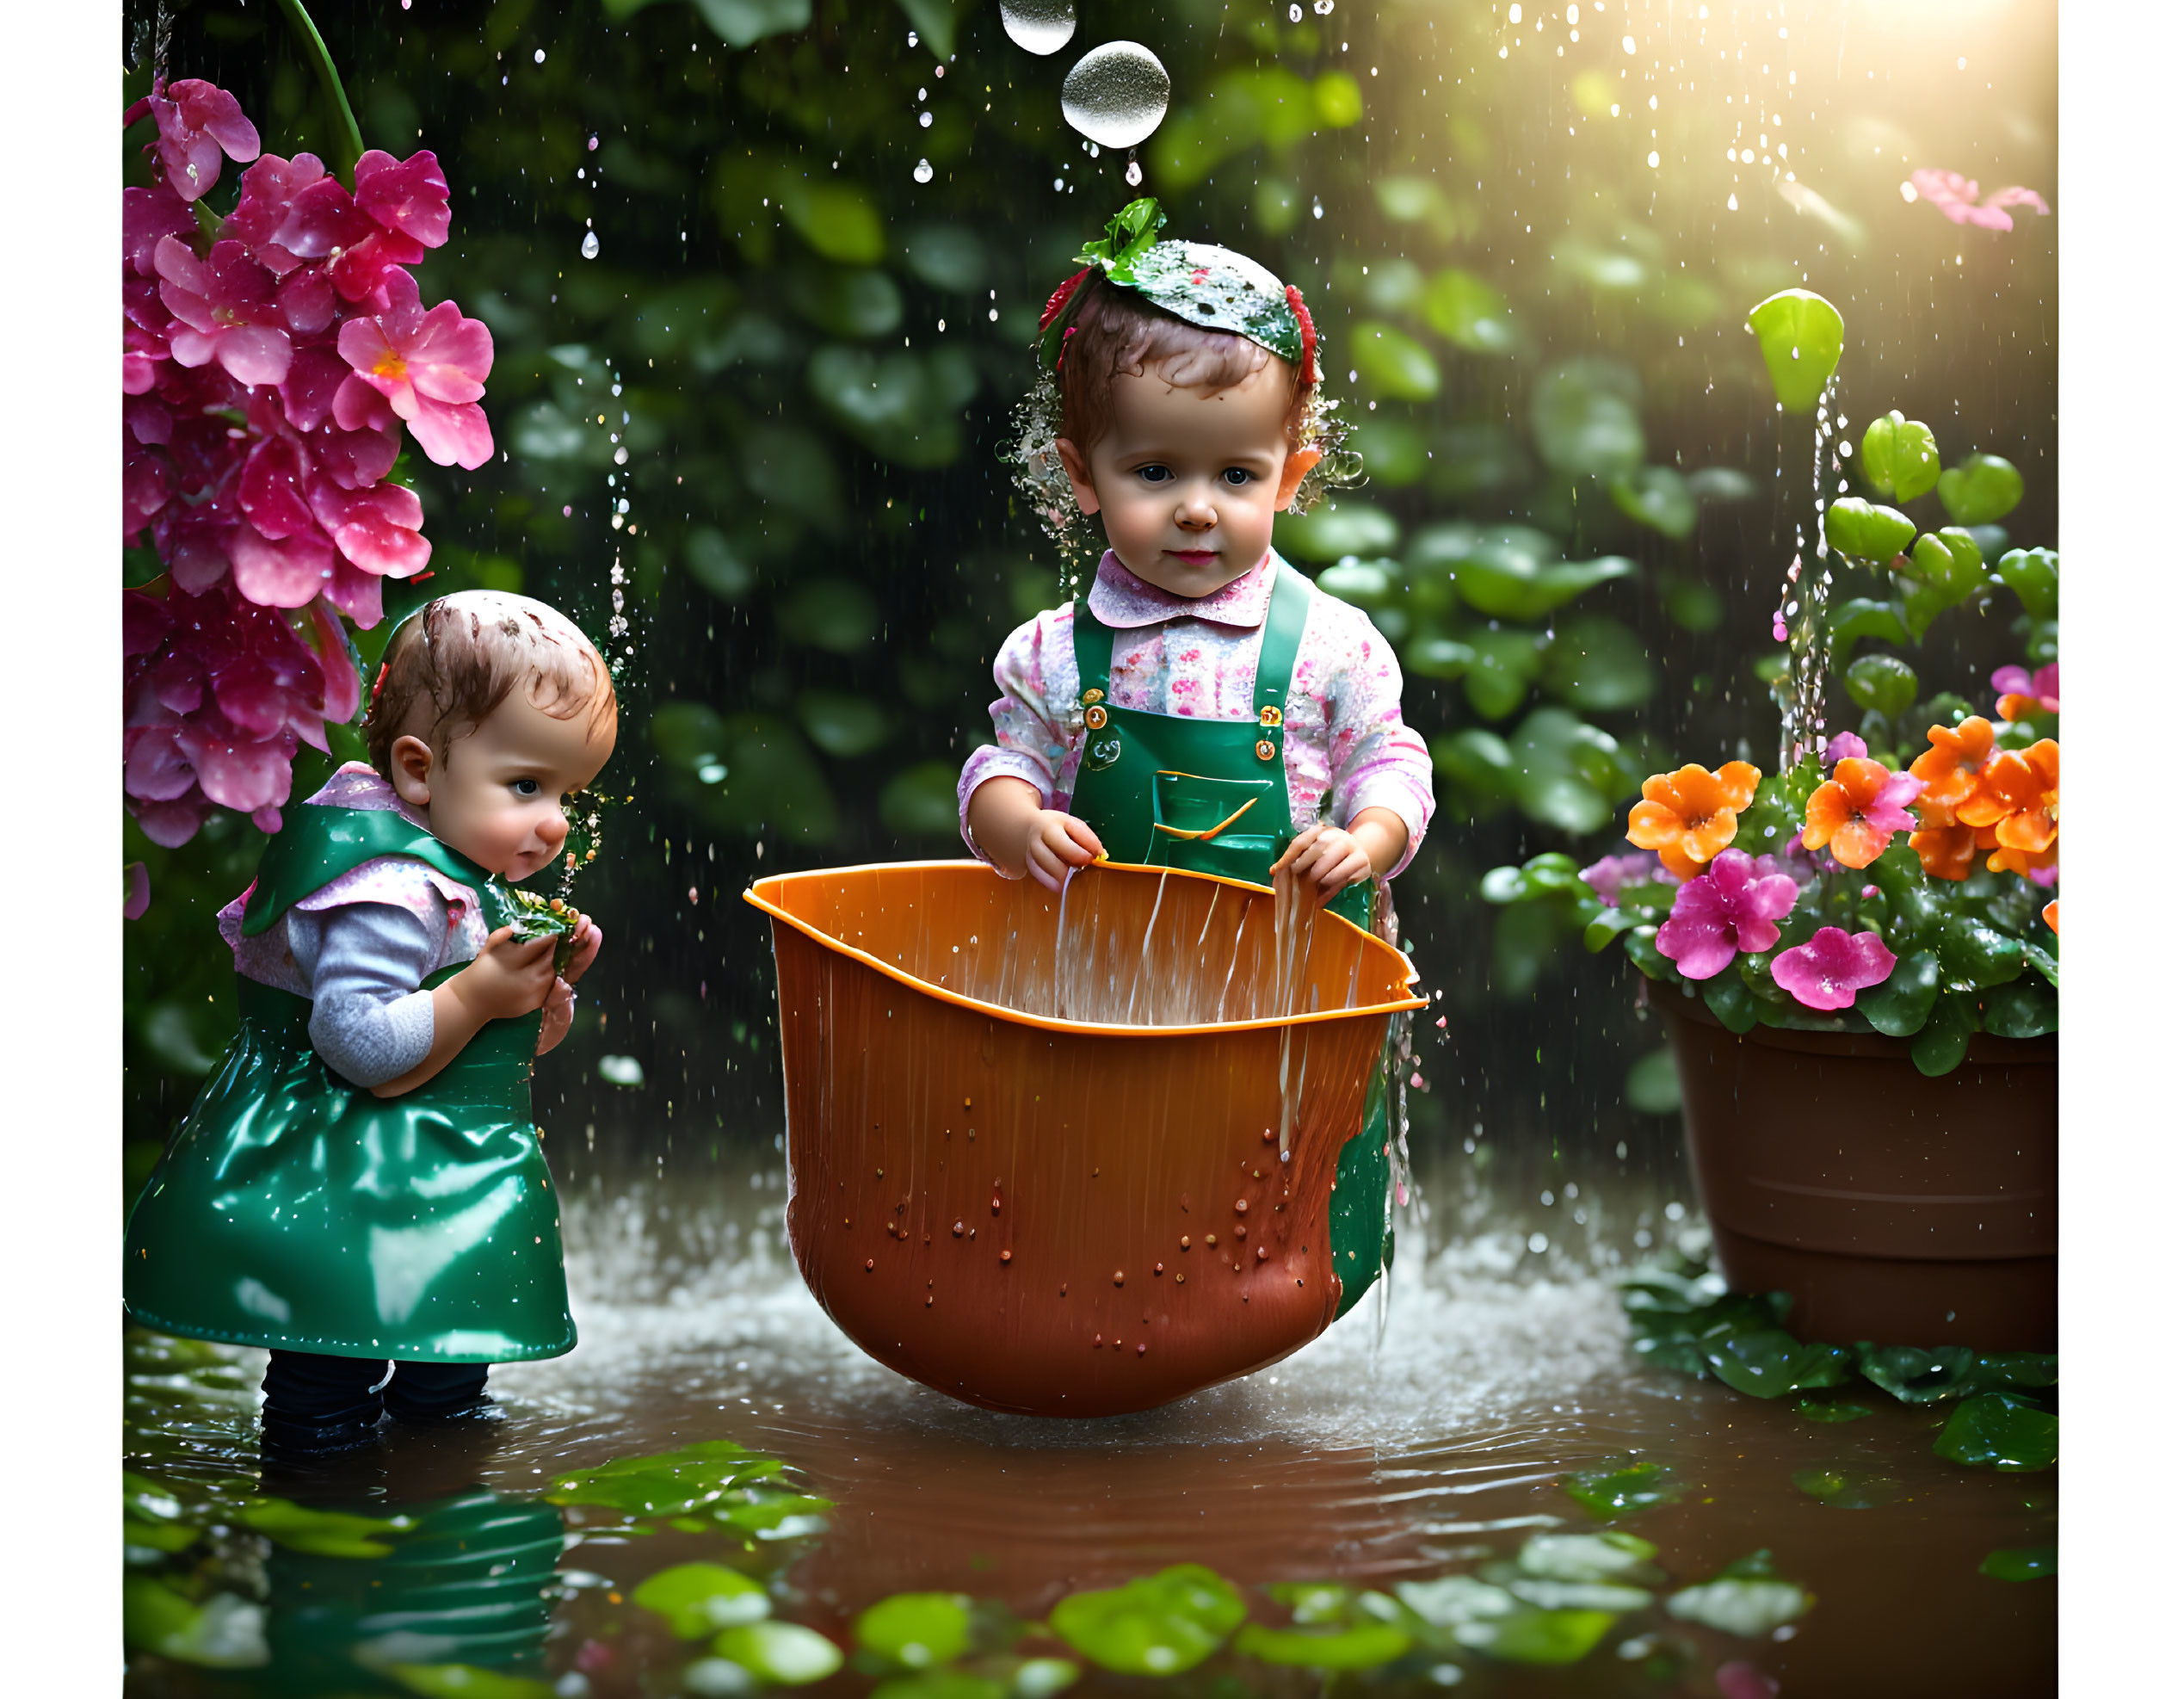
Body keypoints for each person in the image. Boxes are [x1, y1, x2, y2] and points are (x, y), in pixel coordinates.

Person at [959, 200, 1434, 1314]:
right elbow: (999, 770)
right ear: (1082, 473)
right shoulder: (1050, 651)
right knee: (1107, 1186)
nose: (1194, 510)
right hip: (1106, 995)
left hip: (1280, 997)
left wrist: (1363, 842)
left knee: (1263, 1191)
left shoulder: (1328, 644)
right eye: (1155, 470)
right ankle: (1108, 1331)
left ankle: (1244, 1337)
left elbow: (1389, 762)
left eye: (1233, 476)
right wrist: (1017, 823)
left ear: (1289, 473)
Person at [125, 590, 619, 1457]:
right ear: (420, 771)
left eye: (568, 793)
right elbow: (355, 1046)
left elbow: (501, 1056)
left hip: (426, 1176)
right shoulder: (387, 891)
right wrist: (478, 994)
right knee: (331, 1369)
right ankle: (328, 1502)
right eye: (529, 786)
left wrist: (539, 994)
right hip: (340, 1174)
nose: (555, 823)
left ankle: (434, 1472)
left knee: (450, 1357)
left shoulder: (459, 861)